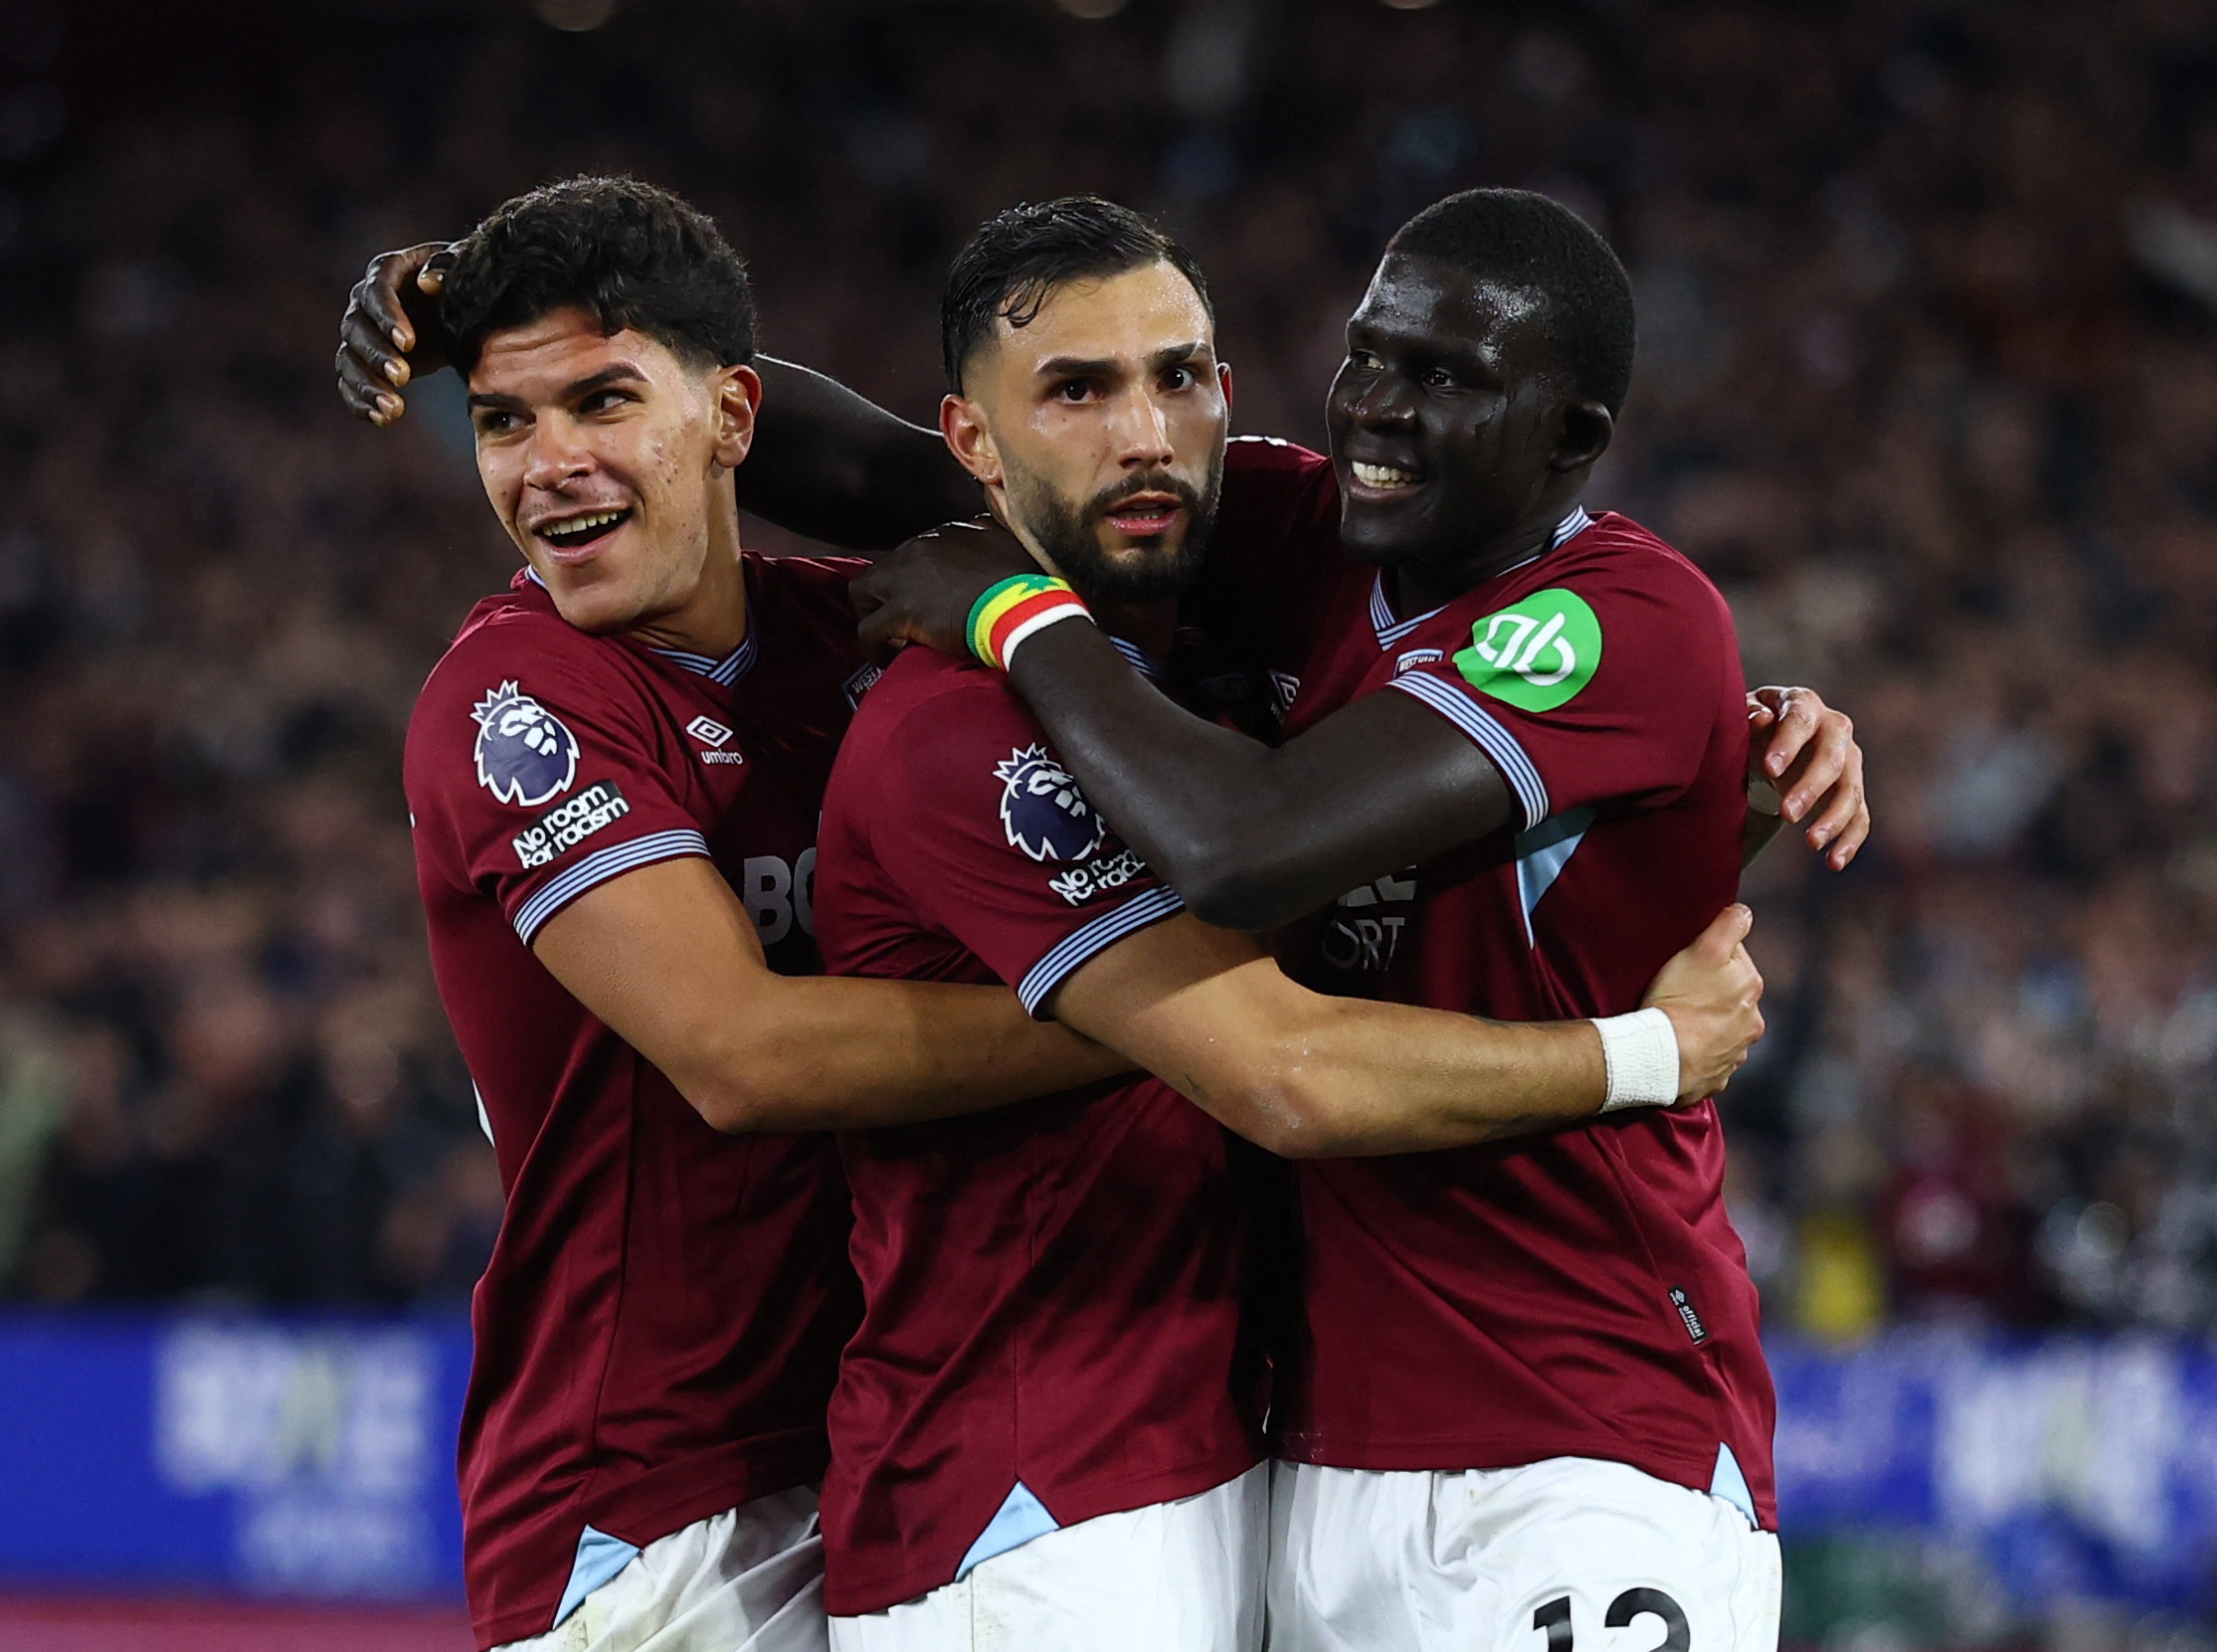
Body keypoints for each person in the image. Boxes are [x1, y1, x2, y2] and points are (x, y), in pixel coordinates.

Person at [378, 178, 1773, 1652]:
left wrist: (1726, 759)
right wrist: (1180, 1010)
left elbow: (842, 457)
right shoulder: (562, 696)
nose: (1141, 434)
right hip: (682, 1496)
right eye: (504, 421)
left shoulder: (904, 634)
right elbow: (749, 1056)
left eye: (1179, 380)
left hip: (1088, 1455)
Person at [851, 189, 1820, 1652]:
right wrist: (599, 357)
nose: (1377, 406)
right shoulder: (1318, 542)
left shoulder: (1619, 615)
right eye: (1368, 354)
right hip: (1316, 1473)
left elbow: (1245, 850)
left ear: (1569, 436)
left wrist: (1017, 614)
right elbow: (935, 462)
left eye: (1446, 379)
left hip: (1578, 1433)